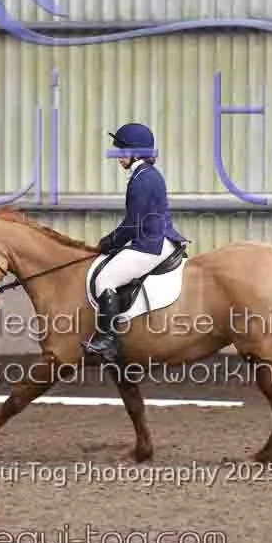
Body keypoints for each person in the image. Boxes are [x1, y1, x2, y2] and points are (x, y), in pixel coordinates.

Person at [82, 122, 188, 363]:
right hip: (157, 238)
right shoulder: (146, 175)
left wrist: (108, 242)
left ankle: (107, 340)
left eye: (122, 151)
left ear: (136, 153)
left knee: (105, 280)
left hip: (150, 244)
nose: (118, 156)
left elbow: (133, 224)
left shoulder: (142, 179)